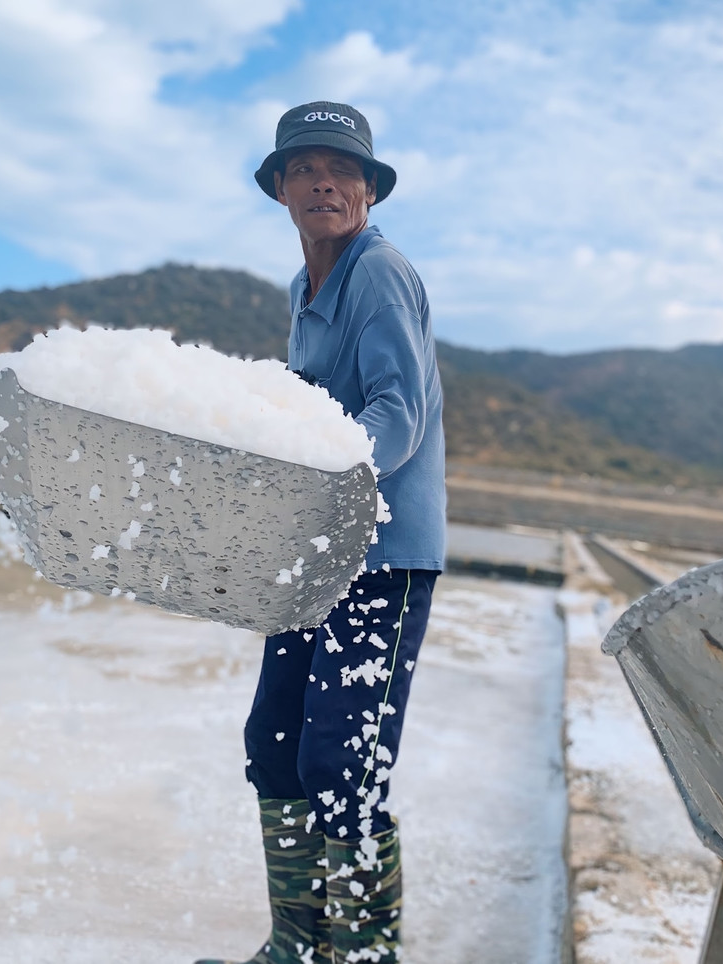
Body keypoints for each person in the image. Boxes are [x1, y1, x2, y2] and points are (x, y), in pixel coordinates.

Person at [197, 102, 446, 964]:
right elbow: (306, 412)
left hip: (382, 557)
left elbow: (397, 413)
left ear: (371, 192)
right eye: (302, 169)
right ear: (280, 190)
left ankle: (363, 955)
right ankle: (297, 948)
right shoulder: (301, 291)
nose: (322, 183)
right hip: (313, 555)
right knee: (273, 748)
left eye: (341, 171)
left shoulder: (378, 272)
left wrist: (322, 475)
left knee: (346, 765)